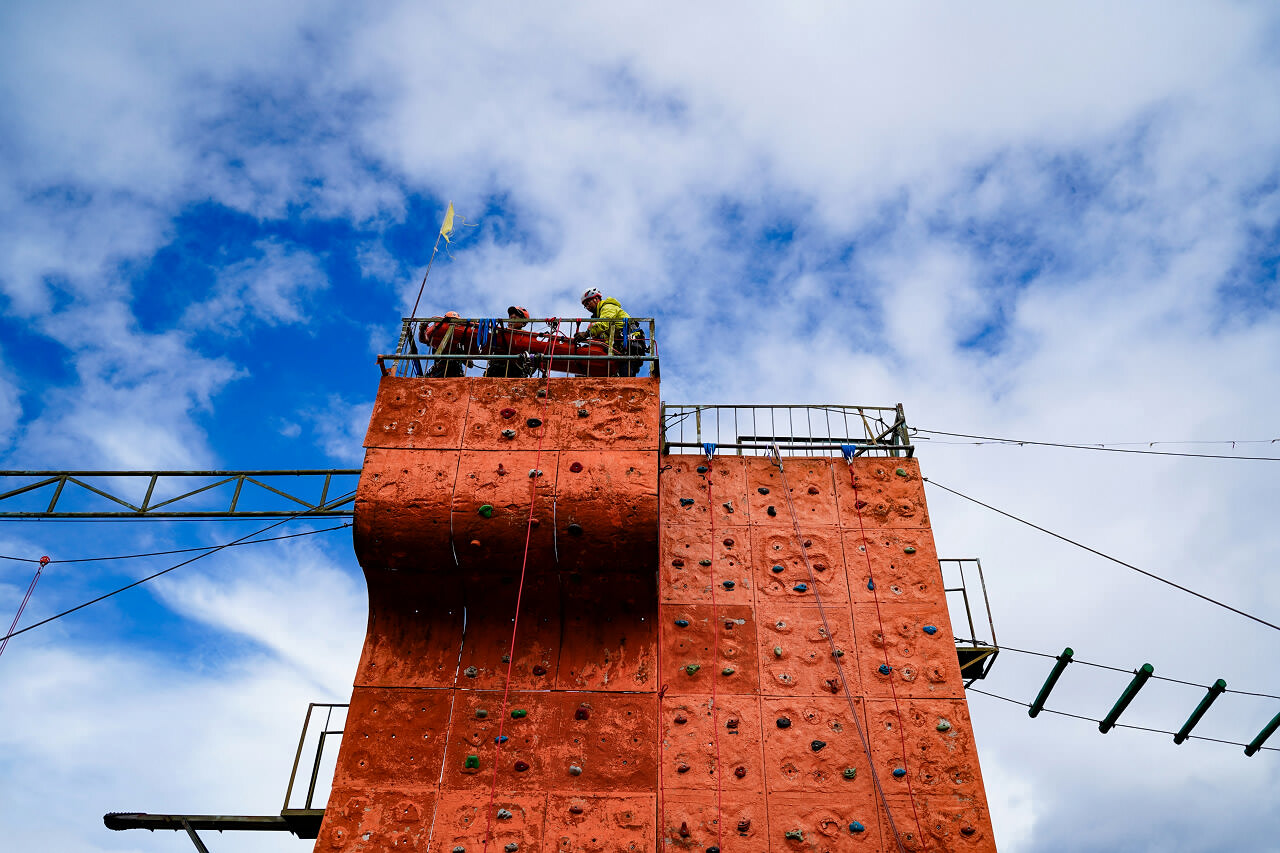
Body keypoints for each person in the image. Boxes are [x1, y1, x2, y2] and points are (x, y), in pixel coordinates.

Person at [573, 288, 647, 376]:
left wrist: (586, 334)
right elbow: (605, 339)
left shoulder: (607, 307)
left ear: (596, 299)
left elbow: (604, 323)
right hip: (622, 348)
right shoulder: (598, 317)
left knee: (624, 376)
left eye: (588, 303)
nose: (587, 307)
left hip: (632, 345)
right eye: (585, 306)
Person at [484, 306, 535, 377]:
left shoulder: (527, 338)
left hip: (515, 373)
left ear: (523, 323)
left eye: (515, 318)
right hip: (495, 371)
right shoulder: (498, 333)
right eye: (510, 318)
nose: (512, 319)